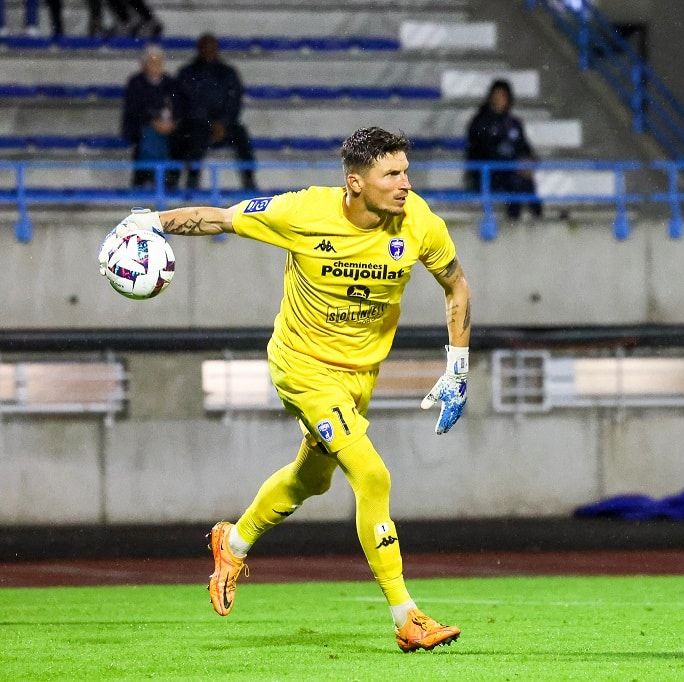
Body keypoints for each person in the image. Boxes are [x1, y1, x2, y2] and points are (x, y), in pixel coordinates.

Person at [111, 127, 470, 652]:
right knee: (372, 475)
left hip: (359, 375)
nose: (404, 184)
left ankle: (232, 543)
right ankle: (406, 616)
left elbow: (455, 282)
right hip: (302, 368)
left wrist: (457, 365)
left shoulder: (420, 223)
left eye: (406, 172)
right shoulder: (303, 212)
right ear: (355, 182)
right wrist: (150, 221)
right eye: (390, 174)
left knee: (312, 480)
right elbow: (221, 217)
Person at [176, 33, 257, 191]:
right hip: (198, 124)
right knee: (192, 136)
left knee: (241, 135)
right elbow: (187, 103)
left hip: (225, 125)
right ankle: (192, 181)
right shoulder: (187, 73)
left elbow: (235, 101)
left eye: (212, 47)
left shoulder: (228, 73)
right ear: (198, 49)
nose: (209, 50)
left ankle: (249, 179)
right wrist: (208, 123)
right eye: (205, 47)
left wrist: (223, 122)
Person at [465, 79, 542, 220]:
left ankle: (537, 217)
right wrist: (513, 163)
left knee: (526, 182)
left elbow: (525, 148)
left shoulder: (514, 123)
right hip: (488, 174)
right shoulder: (479, 122)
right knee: (517, 181)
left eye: (502, 96)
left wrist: (528, 160)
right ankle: (513, 221)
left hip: (511, 172)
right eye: (496, 95)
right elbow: (482, 151)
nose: (499, 100)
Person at [121, 44, 184, 188]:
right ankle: (151, 176)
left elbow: (179, 107)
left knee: (183, 137)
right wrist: (153, 121)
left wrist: (173, 122)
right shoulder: (136, 83)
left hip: (170, 128)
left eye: (158, 62)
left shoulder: (171, 83)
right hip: (142, 127)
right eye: (151, 62)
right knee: (150, 135)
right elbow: (134, 110)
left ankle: (168, 178)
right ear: (144, 64)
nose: (155, 65)